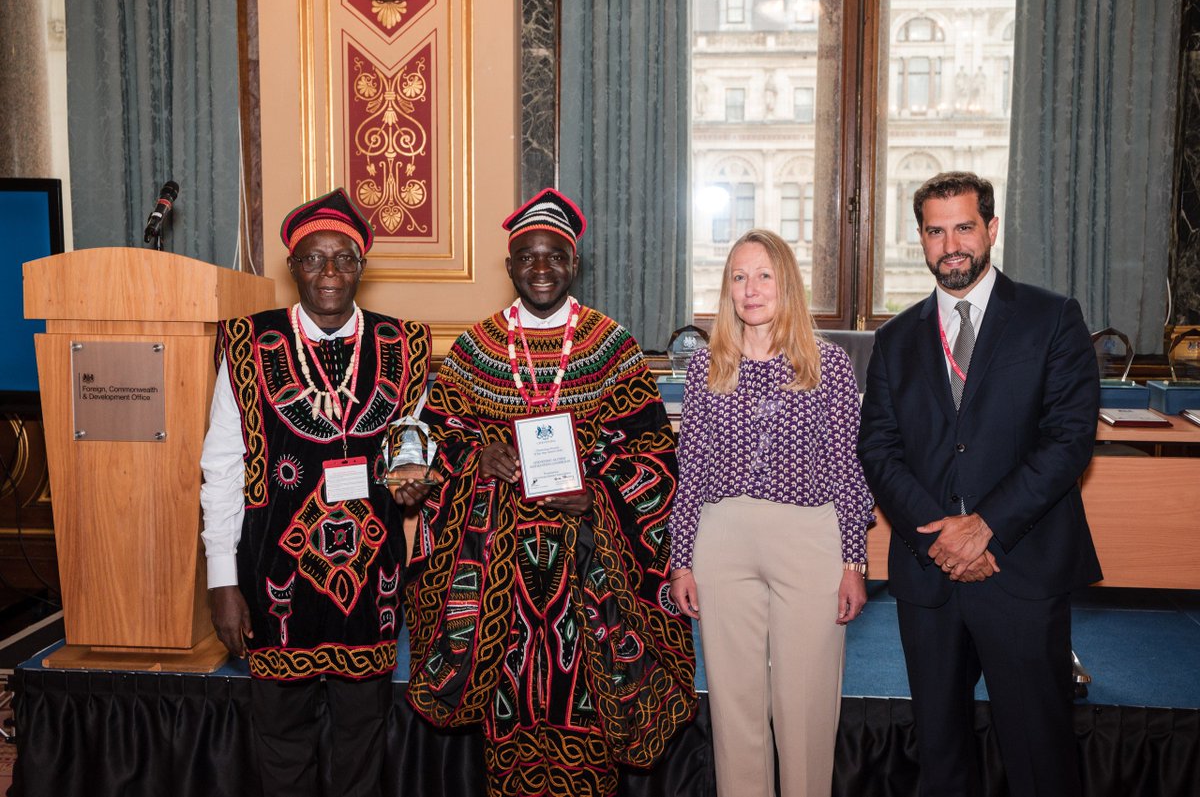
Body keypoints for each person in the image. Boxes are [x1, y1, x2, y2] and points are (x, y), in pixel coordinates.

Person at [403, 188, 697, 797]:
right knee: (509, 698)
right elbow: (431, 443)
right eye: (528, 257)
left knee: (586, 699)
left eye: (555, 256)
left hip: (590, 565)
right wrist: (476, 456)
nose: (542, 268)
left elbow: (653, 455)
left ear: (575, 265)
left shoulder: (610, 347)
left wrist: (599, 493)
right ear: (509, 266)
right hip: (496, 568)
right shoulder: (474, 349)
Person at [857, 171, 1102, 796]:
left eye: (963, 227)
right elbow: (879, 449)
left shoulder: (1051, 318)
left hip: (1020, 567)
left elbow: (1068, 438)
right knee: (941, 756)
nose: (951, 245)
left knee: (1039, 754)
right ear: (921, 239)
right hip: (929, 574)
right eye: (935, 232)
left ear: (990, 229)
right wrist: (942, 537)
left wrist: (986, 527)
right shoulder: (894, 339)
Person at [200, 188, 431, 797]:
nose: (329, 272)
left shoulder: (403, 344)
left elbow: (412, 447)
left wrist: (413, 483)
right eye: (313, 258)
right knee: (279, 740)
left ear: (361, 266)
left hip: (371, 577)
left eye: (343, 258)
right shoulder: (248, 344)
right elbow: (222, 466)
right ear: (292, 266)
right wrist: (222, 579)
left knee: (362, 736)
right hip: (274, 573)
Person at [667, 229, 874, 797]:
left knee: (804, 703)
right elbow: (691, 474)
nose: (750, 289)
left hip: (808, 540)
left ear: (786, 285)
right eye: (738, 276)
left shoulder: (827, 365)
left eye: (763, 276)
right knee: (735, 709)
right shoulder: (707, 367)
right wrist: (680, 562)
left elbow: (847, 468)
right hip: (721, 542)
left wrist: (853, 560)